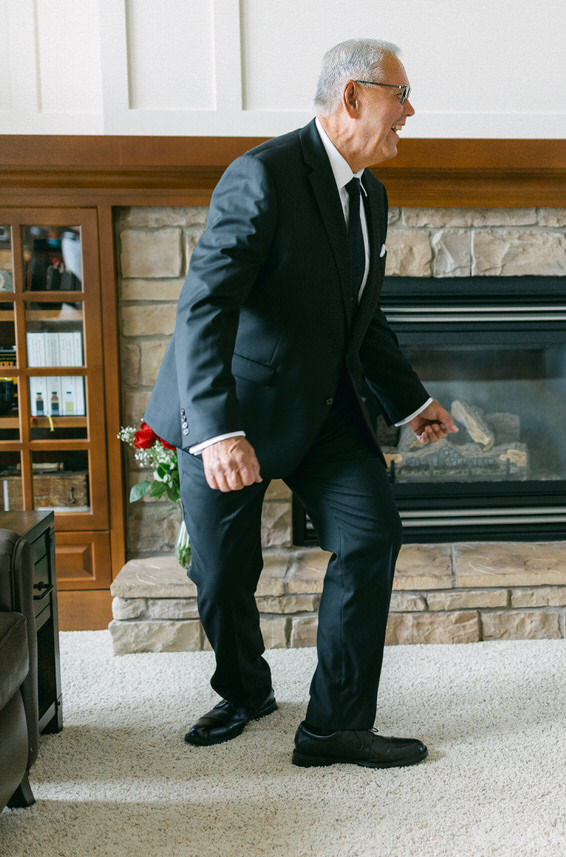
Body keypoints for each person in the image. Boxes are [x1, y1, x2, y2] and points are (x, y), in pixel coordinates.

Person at [144, 38, 457, 769]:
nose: (410, 111)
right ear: (352, 96)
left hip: (323, 406)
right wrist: (218, 430)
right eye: (399, 95)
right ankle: (246, 689)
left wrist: (410, 403)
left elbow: (361, 317)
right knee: (223, 574)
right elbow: (204, 309)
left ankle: (334, 725)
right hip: (234, 408)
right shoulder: (262, 176)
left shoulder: (371, 193)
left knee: (372, 532)